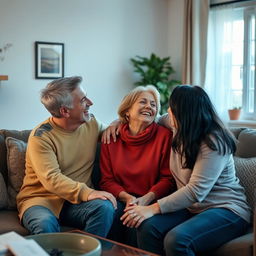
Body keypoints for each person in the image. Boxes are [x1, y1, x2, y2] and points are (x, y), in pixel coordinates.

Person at [121, 85, 251, 255]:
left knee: (177, 239)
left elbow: (196, 191)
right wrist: (120, 121)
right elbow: (156, 118)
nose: (168, 111)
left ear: (183, 112)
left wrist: (151, 209)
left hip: (227, 210)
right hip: (193, 208)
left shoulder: (214, 142)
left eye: (171, 107)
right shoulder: (178, 125)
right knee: (147, 227)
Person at [16, 76, 117, 237]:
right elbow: (52, 179)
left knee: (104, 208)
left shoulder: (91, 123)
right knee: (44, 224)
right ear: (65, 111)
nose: (90, 102)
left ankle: (85, 252)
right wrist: (88, 193)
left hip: (75, 204)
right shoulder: (41, 137)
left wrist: (117, 122)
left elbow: (116, 133)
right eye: (83, 100)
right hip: (41, 201)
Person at [99, 85, 176, 245]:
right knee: (109, 214)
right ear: (127, 110)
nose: (149, 106)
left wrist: (146, 199)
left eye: (153, 104)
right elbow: (106, 180)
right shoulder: (111, 137)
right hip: (122, 199)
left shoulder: (165, 137)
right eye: (143, 102)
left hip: (153, 200)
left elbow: (168, 179)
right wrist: (127, 198)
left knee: (138, 221)